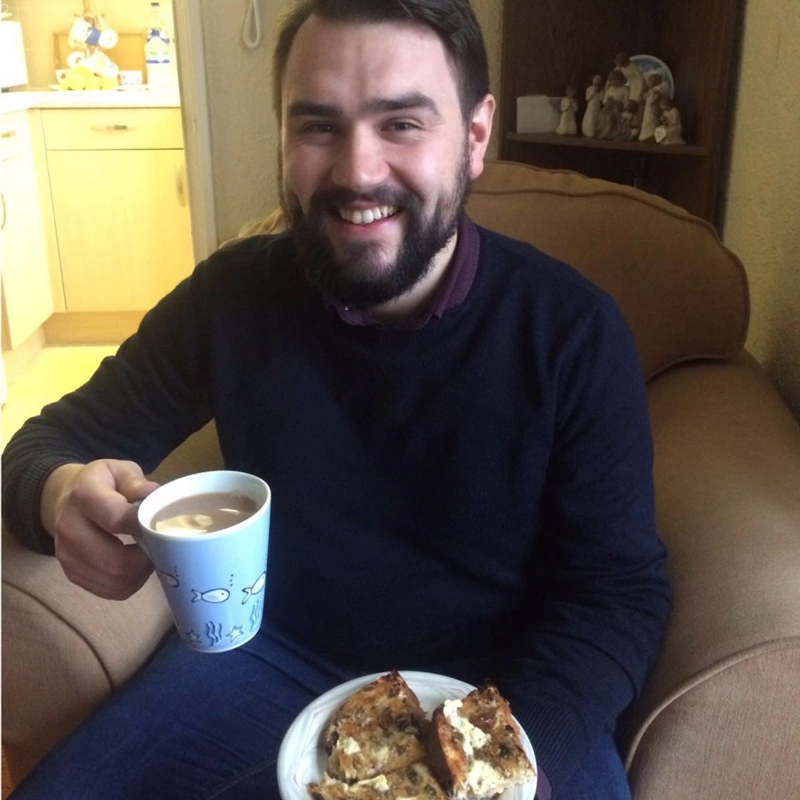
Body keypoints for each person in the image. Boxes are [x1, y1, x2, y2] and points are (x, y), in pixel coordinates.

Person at [1, 1, 671, 798]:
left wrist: (491, 762)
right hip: (267, 658)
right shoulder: (232, 296)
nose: (357, 172)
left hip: (500, 692)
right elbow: (49, 440)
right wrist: (57, 493)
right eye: (318, 126)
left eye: (402, 125)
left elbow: (619, 593)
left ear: (477, 136)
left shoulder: (572, 331)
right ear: (282, 137)